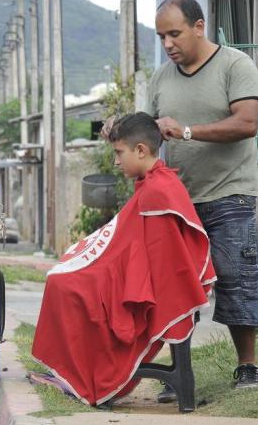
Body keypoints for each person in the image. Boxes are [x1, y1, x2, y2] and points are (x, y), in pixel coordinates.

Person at [32, 113, 215, 406]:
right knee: (62, 275)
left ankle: (79, 375)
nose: (116, 162)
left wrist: (104, 270)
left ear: (140, 150)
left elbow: (156, 262)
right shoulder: (155, 182)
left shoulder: (158, 190)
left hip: (152, 286)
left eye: (119, 153)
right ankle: (74, 372)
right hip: (137, 270)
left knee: (64, 284)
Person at [149, 0, 258, 397]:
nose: (168, 44)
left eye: (175, 33)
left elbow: (247, 123)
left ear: (199, 26)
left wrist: (186, 131)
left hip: (230, 192)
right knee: (176, 286)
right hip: (179, 202)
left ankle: (247, 366)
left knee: (237, 276)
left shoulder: (236, 65)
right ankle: (178, 373)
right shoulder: (161, 77)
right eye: (162, 36)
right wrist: (124, 132)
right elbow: (150, 132)